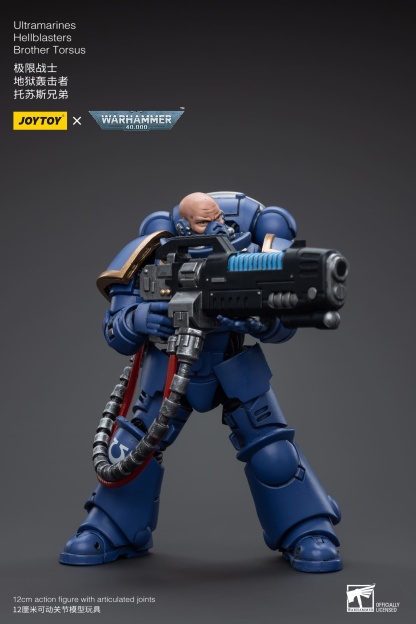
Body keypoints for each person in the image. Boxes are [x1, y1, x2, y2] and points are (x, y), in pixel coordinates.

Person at [60, 191, 342, 572]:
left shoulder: (248, 257)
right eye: (203, 222)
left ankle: (306, 528)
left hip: (232, 367)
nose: (216, 227)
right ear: (181, 227)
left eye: (219, 219)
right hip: (168, 367)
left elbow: (282, 325)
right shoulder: (155, 255)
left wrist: (257, 319)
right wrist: (140, 319)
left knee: (274, 455)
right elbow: (114, 329)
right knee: (128, 449)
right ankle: (112, 527)